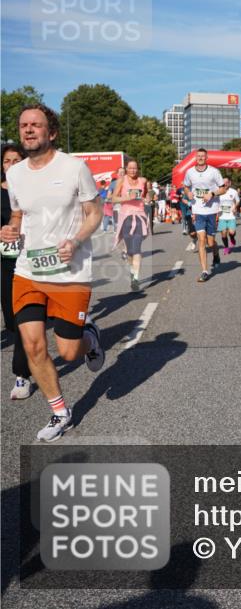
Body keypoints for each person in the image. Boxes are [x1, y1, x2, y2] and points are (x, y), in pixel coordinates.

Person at [1, 104, 105, 441]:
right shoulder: (15, 174)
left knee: (69, 352)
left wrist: (75, 241)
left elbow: (95, 213)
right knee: (33, 346)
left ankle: (89, 337)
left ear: (52, 132)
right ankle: (60, 413)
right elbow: (18, 214)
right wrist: (11, 229)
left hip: (69, 272)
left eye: (36, 124)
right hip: (28, 270)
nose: (28, 129)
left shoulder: (74, 168)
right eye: (23, 125)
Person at [2, 143, 33, 400]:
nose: (11, 165)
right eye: (7, 161)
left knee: (23, 318)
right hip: (4, 261)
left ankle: (22, 374)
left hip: (28, 261)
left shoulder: (32, 190)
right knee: (12, 321)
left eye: (16, 160)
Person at [181, 148, 226, 282]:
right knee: (201, 240)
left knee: (210, 242)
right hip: (198, 210)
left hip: (211, 210)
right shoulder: (190, 172)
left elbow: (223, 188)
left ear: (206, 158)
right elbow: (186, 187)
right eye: (198, 156)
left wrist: (212, 194)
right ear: (195, 158)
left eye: (202, 156)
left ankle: (216, 253)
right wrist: (188, 193)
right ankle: (205, 271)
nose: (200, 158)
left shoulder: (214, 171)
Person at [111, 158, 151, 292]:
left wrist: (147, 198)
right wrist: (128, 197)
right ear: (126, 169)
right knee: (130, 251)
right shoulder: (121, 181)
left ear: (137, 169)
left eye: (135, 168)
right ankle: (132, 271)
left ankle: (135, 278)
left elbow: (146, 195)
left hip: (139, 216)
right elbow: (113, 199)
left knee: (137, 248)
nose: (133, 170)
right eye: (130, 168)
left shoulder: (143, 181)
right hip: (126, 217)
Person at [217, 177, 240, 255]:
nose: (225, 184)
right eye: (223, 183)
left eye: (226, 182)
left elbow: (238, 201)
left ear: (229, 183)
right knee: (223, 234)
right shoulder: (218, 192)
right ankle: (226, 247)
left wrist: (235, 207)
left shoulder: (233, 192)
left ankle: (232, 238)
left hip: (231, 215)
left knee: (232, 232)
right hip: (222, 215)